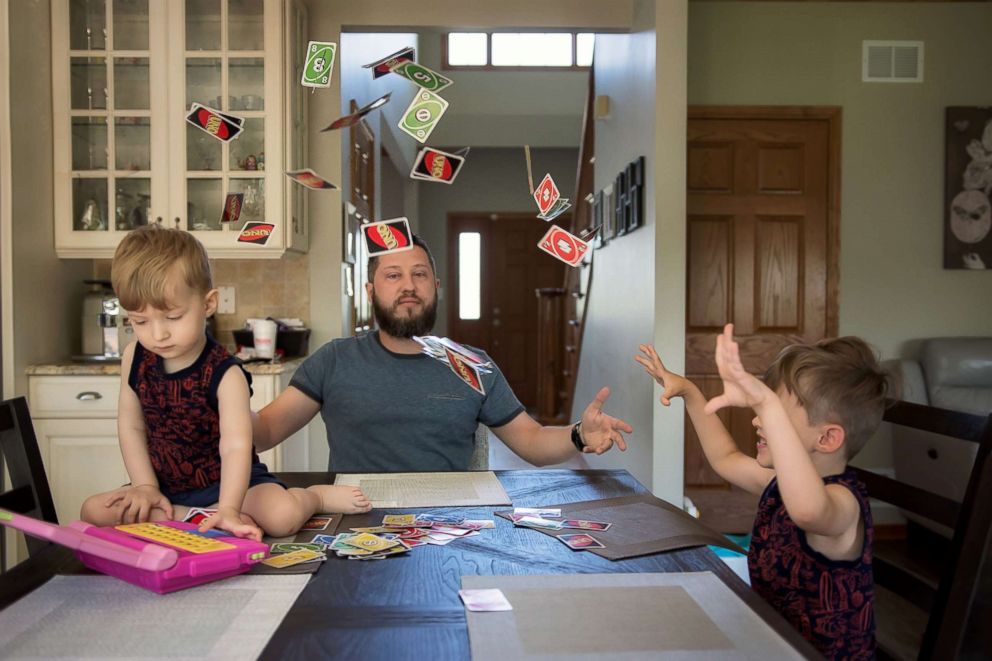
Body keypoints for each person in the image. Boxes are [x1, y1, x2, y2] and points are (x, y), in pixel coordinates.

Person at [80, 226, 370, 540]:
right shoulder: (134, 357)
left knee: (282, 518)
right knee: (93, 511)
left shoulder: (225, 373)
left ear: (208, 304)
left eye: (173, 317)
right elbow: (131, 426)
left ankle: (314, 496)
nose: (158, 334)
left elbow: (235, 447)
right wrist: (145, 486)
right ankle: (195, 517)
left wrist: (230, 508)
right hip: (165, 487)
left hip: (236, 485)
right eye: (140, 321)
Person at [252, 234, 633, 472]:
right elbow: (266, 431)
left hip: (448, 523)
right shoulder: (334, 360)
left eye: (419, 274)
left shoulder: (474, 364)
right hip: (356, 519)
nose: (408, 286)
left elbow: (532, 442)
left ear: (435, 286)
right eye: (393, 275)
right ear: (370, 292)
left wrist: (580, 435)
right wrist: (217, 403)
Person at [636, 324, 887, 660]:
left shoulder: (843, 504)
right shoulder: (779, 483)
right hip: (769, 641)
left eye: (775, 413)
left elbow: (808, 511)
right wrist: (691, 393)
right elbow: (726, 459)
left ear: (827, 439)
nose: (756, 420)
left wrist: (765, 403)